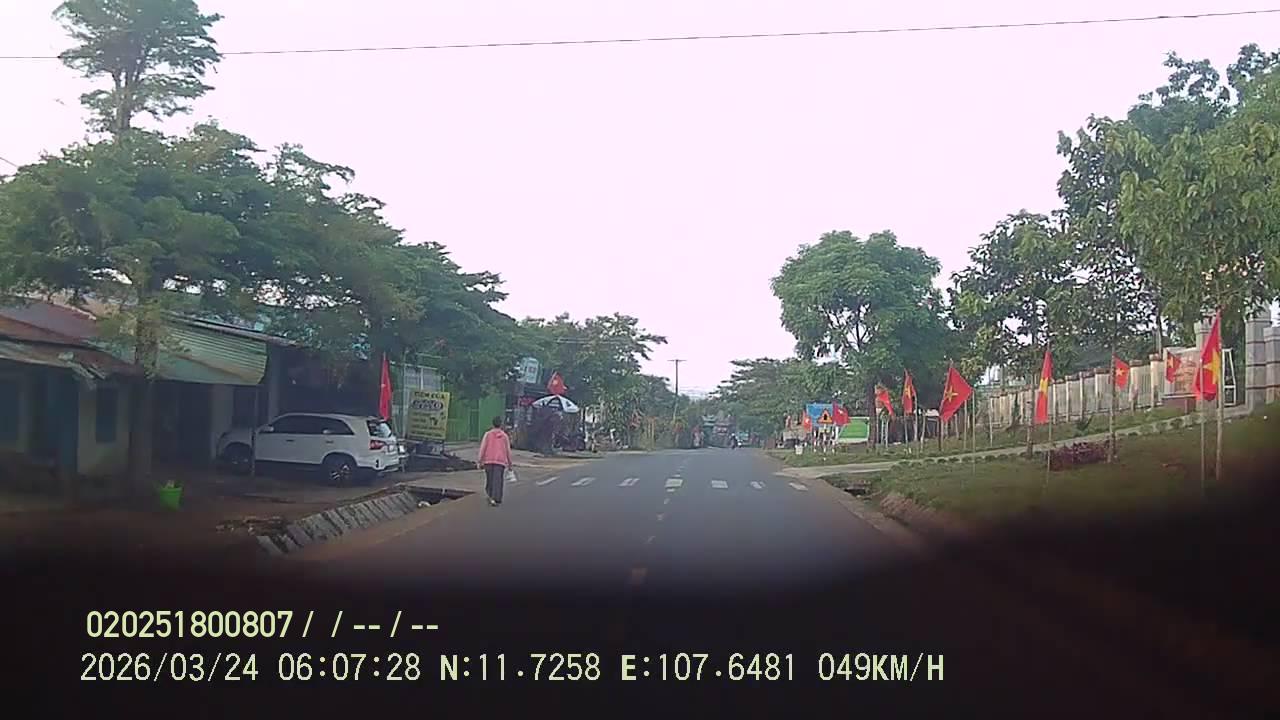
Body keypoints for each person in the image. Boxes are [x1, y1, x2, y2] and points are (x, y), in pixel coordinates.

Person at [477, 416, 513, 507]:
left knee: (490, 479)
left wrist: (479, 460)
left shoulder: (487, 435)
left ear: (493, 424)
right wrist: (510, 464)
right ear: (501, 424)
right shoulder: (504, 436)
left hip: (488, 461)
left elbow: (483, 448)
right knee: (498, 481)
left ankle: (490, 495)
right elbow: (508, 451)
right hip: (500, 462)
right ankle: (496, 498)